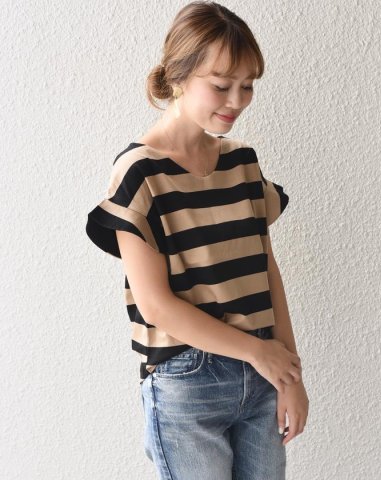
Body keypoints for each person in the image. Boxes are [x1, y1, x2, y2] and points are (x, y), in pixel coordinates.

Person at [86, 1, 309, 478]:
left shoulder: (242, 162)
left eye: (248, 85)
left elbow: (266, 270)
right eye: (222, 85)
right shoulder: (139, 173)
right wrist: (258, 352)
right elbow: (156, 306)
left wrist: (291, 373)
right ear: (179, 76)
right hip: (188, 383)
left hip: (263, 373)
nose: (237, 100)